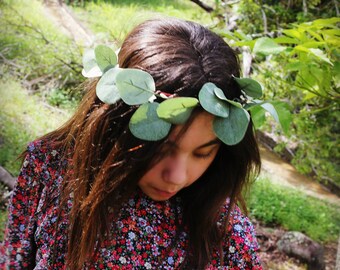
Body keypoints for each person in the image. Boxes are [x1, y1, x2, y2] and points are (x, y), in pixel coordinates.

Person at [0, 18, 263, 269]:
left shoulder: (226, 238)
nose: (177, 176)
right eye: (161, 149)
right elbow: (14, 257)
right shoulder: (50, 163)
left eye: (203, 153)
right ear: (117, 124)